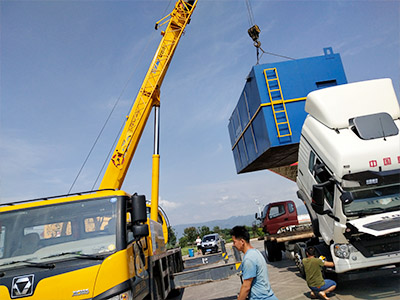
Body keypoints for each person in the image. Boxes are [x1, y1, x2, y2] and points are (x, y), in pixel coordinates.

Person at [230, 226, 278, 300]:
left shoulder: (249, 259)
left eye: (234, 242)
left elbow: (246, 286)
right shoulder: (255, 252)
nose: (233, 245)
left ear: (242, 241)